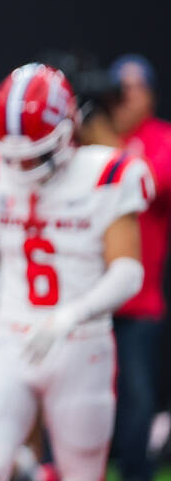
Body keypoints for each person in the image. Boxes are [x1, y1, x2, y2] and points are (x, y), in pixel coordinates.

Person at [0, 63, 150, 481]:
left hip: (81, 344)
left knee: (82, 473)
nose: (21, 169)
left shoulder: (108, 173)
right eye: (12, 156)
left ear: (68, 130)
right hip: (10, 335)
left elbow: (129, 272)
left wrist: (69, 316)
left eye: (34, 154)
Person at [107, 54, 171, 481]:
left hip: (138, 297)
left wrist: (105, 142)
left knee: (136, 397)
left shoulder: (161, 137)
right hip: (83, 296)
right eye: (120, 89)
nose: (127, 97)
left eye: (136, 88)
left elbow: (150, 182)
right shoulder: (86, 136)